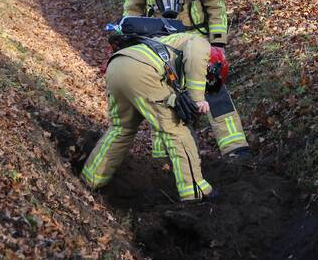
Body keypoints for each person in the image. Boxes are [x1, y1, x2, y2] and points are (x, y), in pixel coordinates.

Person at [123, 0, 250, 158]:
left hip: (197, 42)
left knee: (214, 90)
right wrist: (133, 47)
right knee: (166, 99)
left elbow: (215, 4)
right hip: (160, 47)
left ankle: (235, 148)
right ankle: (170, 155)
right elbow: (131, 13)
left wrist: (218, 45)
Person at [81, 28, 226, 201]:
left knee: (121, 128)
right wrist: (197, 98)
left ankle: (90, 180)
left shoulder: (173, 43)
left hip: (117, 65)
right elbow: (194, 58)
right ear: (212, 65)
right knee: (176, 130)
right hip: (142, 71)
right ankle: (196, 192)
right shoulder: (201, 44)